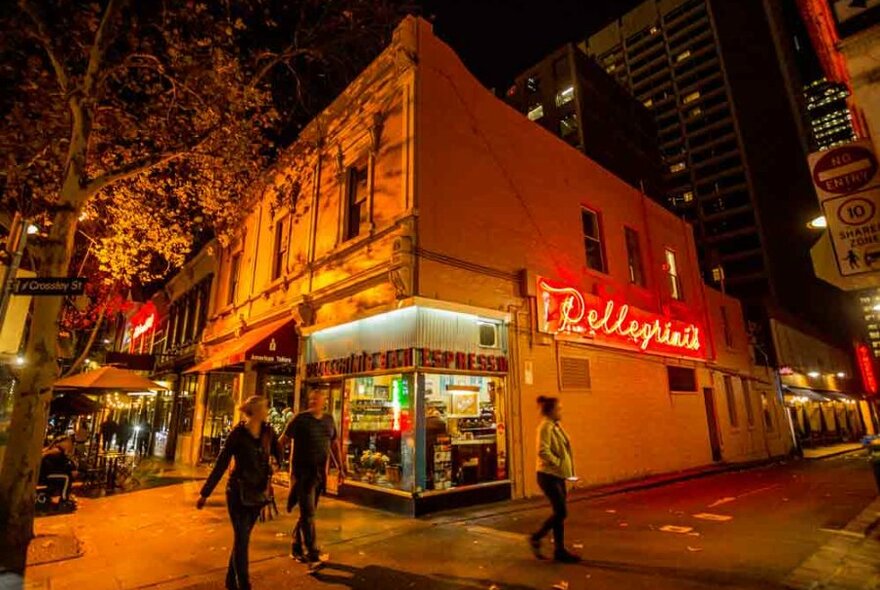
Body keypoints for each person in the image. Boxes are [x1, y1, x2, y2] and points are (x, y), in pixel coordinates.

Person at [197, 396, 281, 590]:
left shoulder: (268, 432)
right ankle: (244, 585)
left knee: (241, 539)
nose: (268, 410)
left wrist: (275, 465)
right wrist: (205, 493)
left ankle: (230, 580)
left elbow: (278, 453)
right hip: (237, 493)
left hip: (258, 493)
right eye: (265, 407)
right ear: (255, 410)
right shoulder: (238, 434)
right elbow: (222, 463)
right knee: (242, 539)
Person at [280, 390, 345, 570]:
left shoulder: (329, 420)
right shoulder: (299, 420)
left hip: (319, 474)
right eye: (312, 399)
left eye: (318, 399)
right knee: (308, 514)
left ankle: (296, 545)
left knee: (307, 513)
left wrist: (340, 467)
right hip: (302, 474)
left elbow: (334, 444)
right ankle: (313, 555)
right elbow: (283, 441)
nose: (314, 401)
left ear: (324, 401)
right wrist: (274, 462)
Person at [529, 396, 580, 563]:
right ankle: (536, 537)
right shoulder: (545, 427)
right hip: (548, 475)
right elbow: (543, 451)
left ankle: (559, 550)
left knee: (560, 513)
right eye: (558, 409)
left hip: (557, 475)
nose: (561, 411)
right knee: (561, 511)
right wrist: (558, 463)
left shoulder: (555, 426)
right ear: (550, 411)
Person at [39, 437, 78, 508]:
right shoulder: (56, 451)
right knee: (67, 478)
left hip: (49, 472)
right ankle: (64, 499)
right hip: (47, 474)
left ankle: (65, 496)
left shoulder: (56, 450)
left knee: (67, 476)